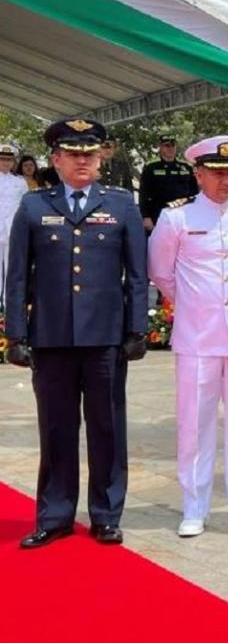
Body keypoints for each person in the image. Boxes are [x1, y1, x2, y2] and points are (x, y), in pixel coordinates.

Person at [5, 118, 148, 548]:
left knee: (107, 428)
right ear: (56, 159)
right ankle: (55, 514)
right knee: (56, 429)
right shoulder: (33, 207)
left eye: (89, 153)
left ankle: (105, 515)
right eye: (73, 154)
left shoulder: (121, 204)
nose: (82, 161)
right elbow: (16, 278)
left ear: (100, 158)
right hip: (50, 339)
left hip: (105, 339)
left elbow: (137, 276)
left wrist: (137, 327)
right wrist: (16, 334)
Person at [148, 136, 228, 538]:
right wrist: (196, 304)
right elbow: (161, 273)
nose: (226, 181)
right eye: (218, 174)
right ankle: (194, 507)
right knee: (194, 425)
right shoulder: (177, 218)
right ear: (198, 174)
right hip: (197, 337)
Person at [139, 135, 198, 232]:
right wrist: (146, 216)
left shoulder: (186, 167)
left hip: (183, 214)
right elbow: (144, 194)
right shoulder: (151, 167)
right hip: (159, 214)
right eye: (167, 146)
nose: (170, 148)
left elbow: (194, 192)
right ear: (160, 147)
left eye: (173, 145)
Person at [0, 144, 28, 312]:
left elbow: (25, 206)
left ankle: (8, 303)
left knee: (11, 267)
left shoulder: (20, 182)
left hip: (12, 229)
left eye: (9, 160)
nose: (6, 163)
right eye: (2, 159)